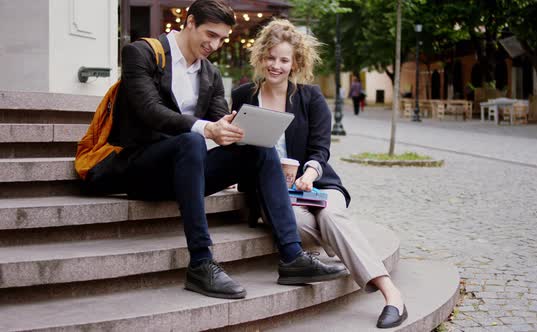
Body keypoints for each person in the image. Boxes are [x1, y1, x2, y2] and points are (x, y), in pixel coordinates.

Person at [86, 0, 346, 300]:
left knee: (258, 149)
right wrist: (205, 128)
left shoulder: (209, 73)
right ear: (190, 22)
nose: (215, 44)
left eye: (221, 38)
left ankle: (292, 258)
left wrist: (232, 127)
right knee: (192, 139)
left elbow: (222, 120)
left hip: (186, 171)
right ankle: (200, 263)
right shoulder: (141, 53)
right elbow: (150, 111)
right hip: (140, 168)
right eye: (210, 34)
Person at [231, 19, 408, 328]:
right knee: (297, 224)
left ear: (296, 62)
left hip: (317, 184)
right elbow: (238, 149)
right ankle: (345, 248)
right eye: (270, 57)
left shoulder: (310, 98)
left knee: (330, 215)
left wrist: (309, 174)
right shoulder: (243, 96)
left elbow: (320, 151)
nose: (276, 66)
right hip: (274, 196)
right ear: (260, 57)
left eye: (284, 59)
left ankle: (391, 294)